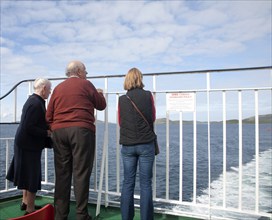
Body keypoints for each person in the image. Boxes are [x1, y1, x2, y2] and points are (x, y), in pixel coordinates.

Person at [46, 60, 106, 220]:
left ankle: (60, 216)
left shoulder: (58, 88)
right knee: (81, 173)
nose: (86, 73)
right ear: (79, 71)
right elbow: (101, 105)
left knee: (62, 174)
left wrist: (54, 128)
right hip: (81, 131)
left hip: (59, 132)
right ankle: (81, 215)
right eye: (85, 70)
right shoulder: (86, 84)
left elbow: (48, 115)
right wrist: (100, 94)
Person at [6, 78, 52, 215]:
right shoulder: (36, 104)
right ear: (43, 88)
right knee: (32, 176)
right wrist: (47, 133)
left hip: (24, 143)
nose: (49, 92)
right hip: (29, 145)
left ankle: (25, 202)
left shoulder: (32, 101)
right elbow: (29, 127)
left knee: (26, 174)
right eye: (49, 89)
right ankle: (30, 209)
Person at [118, 67, 156, 220]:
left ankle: (126, 217)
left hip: (128, 144)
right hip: (146, 144)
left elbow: (120, 121)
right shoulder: (148, 96)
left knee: (128, 182)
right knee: (146, 183)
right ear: (140, 78)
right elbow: (152, 117)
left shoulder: (122, 99)